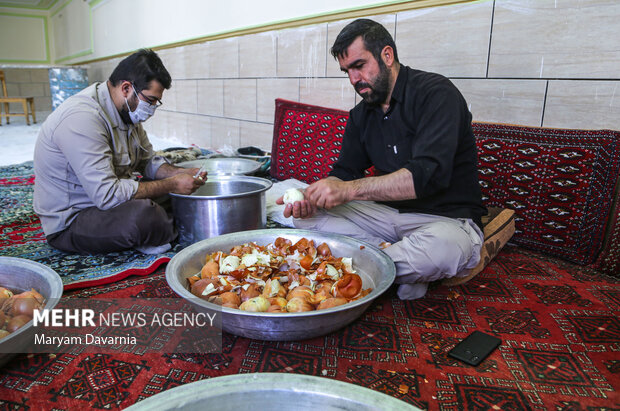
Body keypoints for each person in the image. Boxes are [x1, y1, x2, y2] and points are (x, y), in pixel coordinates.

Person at [277, 19, 487, 299]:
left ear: (387, 55)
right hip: (385, 218)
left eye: (359, 66)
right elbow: (345, 172)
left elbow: (425, 177)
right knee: (303, 219)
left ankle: (361, 267)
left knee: (441, 250)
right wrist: (311, 195)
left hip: (444, 220)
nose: (353, 79)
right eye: (347, 71)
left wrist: (348, 190)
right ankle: (389, 262)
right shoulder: (361, 115)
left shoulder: (436, 94)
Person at [33, 49, 206, 255]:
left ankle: (159, 228)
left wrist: (177, 174)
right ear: (126, 88)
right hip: (74, 220)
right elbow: (107, 194)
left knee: (185, 196)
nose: (151, 108)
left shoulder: (127, 111)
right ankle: (156, 229)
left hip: (113, 203)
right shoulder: (82, 118)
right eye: (150, 100)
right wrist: (172, 184)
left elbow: (147, 160)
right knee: (146, 216)